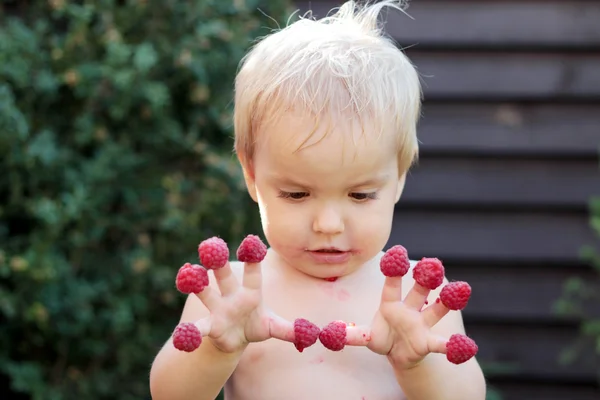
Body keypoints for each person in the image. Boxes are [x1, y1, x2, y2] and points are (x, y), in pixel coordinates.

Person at [149, 1, 487, 399]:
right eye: (296, 194)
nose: (328, 224)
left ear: (398, 179)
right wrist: (217, 347)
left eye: (360, 194)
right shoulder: (229, 293)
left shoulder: (421, 295)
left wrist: (416, 361)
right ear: (252, 175)